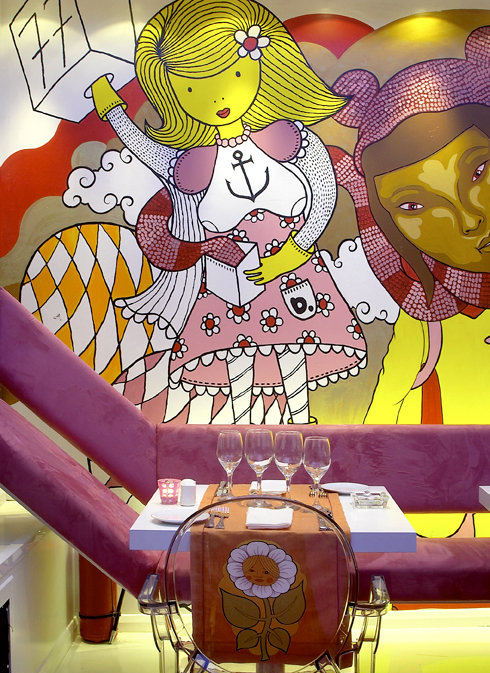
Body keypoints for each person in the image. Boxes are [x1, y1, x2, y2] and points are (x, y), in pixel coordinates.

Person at [88, 0, 367, 424]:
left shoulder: (290, 138)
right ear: (172, 93)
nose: (216, 98)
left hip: (291, 263)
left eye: (233, 75)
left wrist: (296, 249)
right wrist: (114, 114)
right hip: (229, 269)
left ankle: (296, 422)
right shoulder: (192, 162)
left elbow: (323, 193)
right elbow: (148, 151)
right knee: (235, 349)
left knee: (296, 344)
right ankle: (239, 426)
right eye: (191, 89)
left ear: (260, 67)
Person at [329, 25, 490, 425]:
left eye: (479, 170)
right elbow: (381, 424)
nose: (469, 219)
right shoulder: (428, 321)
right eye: (414, 206)